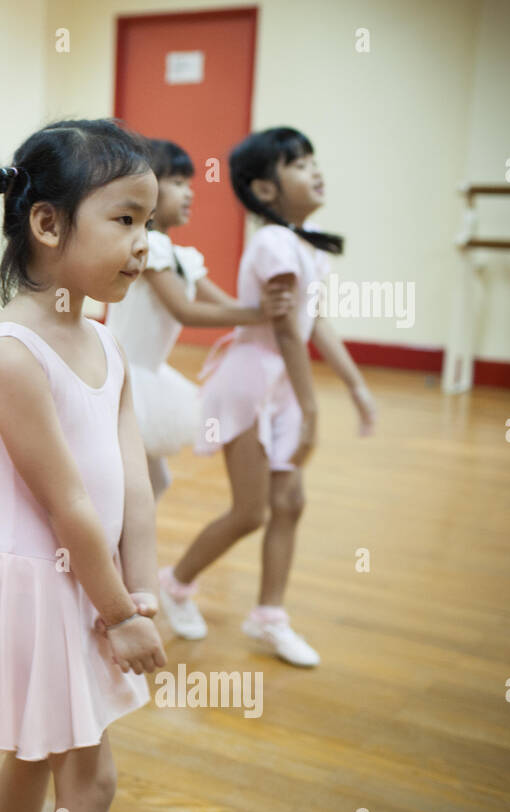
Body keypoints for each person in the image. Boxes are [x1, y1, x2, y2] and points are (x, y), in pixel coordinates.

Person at [0, 120, 168, 812]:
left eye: (148, 222)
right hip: (42, 590)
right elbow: (68, 506)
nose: (144, 243)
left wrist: (140, 591)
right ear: (46, 224)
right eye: (124, 220)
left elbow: (132, 479)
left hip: (90, 583)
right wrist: (118, 613)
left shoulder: (107, 340)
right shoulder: (11, 353)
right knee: (90, 780)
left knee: (37, 757)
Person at [158, 127, 377, 666]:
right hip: (250, 385)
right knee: (252, 510)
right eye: (298, 164)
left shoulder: (307, 238)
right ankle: (177, 581)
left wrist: (355, 384)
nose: (314, 170)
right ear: (264, 190)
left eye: (312, 159)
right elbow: (281, 329)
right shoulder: (274, 243)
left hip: (282, 384)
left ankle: (269, 615)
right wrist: (311, 408)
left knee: (291, 503)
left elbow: (311, 322)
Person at [103, 137, 295, 499]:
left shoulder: (182, 256)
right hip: (124, 374)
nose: (189, 193)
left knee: (154, 481)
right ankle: (117, 554)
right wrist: (260, 313)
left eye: (189, 184)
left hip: (151, 376)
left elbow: (229, 308)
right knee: (130, 483)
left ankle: (131, 555)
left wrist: (264, 312)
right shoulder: (149, 245)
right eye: (177, 183)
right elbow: (185, 311)